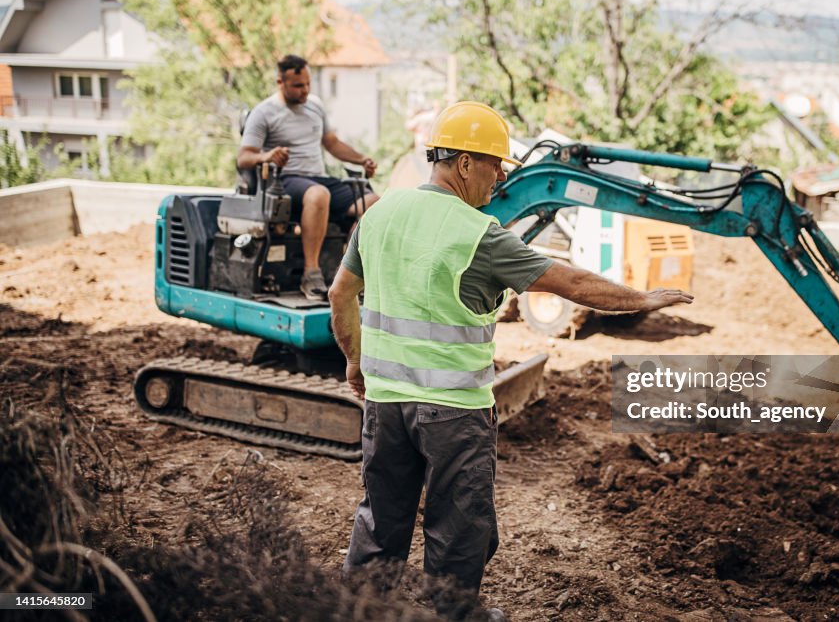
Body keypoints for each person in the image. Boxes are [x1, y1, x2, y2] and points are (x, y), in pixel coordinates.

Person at [328, 101, 694, 619]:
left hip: (385, 405)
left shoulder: (381, 213)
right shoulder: (478, 234)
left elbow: (340, 294)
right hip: (454, 413)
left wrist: (355, 362)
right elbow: (571, 282)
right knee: (460, 528)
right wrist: (642, 299)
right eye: (495, 165)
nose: (501, 177)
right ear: (464, 163)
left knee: (381, 517)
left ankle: (359, 609)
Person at [238, 54, 380, 300]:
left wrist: (361, 160)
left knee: (374, 203)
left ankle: (349, 272)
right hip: (286, 180)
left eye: (307, 84)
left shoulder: (315, 106)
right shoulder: (263, 113)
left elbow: (331, 143)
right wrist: (267, 156)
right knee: (318, 194)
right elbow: (244, 157)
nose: (304, 90)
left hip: (318, 178)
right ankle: (311, 273)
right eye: (297, 85)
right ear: (280, 82)